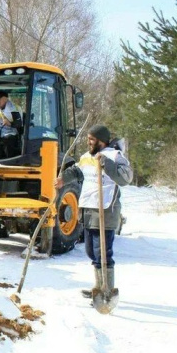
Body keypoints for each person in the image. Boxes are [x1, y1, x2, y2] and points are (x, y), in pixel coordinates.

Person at [55, 124, 132, 300]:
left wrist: (106, 164)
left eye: (91, 139)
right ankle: (98, 286)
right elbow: (76, 171)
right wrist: (62, 180)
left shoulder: (115, 156)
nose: (88, 142)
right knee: (91, 250)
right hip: (89, 209)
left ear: (101, 141)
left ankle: (107, 289)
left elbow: (125, 178)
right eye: (88, 139)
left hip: (105, 210)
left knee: (103, 252)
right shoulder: (86, 157)